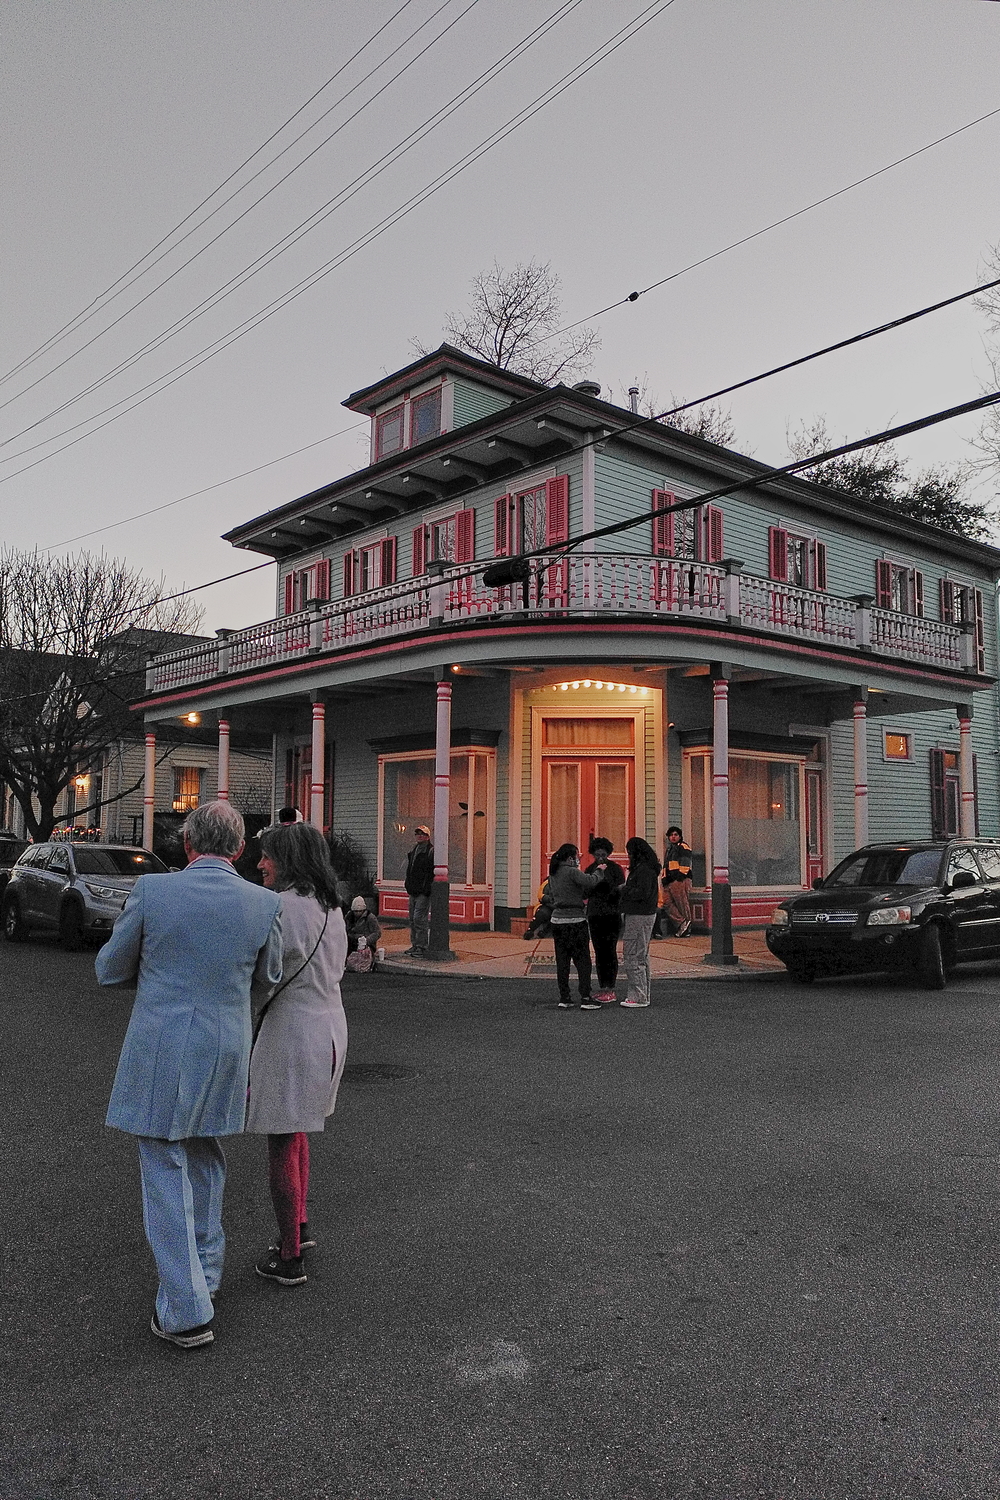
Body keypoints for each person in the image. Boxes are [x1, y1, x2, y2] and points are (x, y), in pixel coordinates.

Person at [96, 801, 283, 1349]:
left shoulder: (153, 891)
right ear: (240, 849)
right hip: (225, 1042)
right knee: (204, 1154)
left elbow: (110, 969)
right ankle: (206, 1272)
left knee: (161, 1162)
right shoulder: (263, 901)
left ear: (187, 844)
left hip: (162, 1041)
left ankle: (185, 1306)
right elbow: (268, 975)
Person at [248, 822, 348, 1287]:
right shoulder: (331, 908)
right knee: (301, 1128)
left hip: (290, 1031)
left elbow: (262, 974)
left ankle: (288, 1253)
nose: (260, 863)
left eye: (268, 856)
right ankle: (301, 1226)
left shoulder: (276, 908)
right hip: (330, 1027)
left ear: (287, 861)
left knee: (280, 1139)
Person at [546, 843, 605, 1009]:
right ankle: (586, 996)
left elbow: (550, 895)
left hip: (557, 921)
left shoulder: (553, 873)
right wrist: (599, 869)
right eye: (577, 856)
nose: (578, 859)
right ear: (571, 857)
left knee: (562, 961)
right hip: (575, 920)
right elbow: (591, 881)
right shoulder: (572, 871)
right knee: (582, 960)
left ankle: (564, 997)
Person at [620, 837, 662, 1008]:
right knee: (641, 955)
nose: (629, 855)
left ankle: (637, 996)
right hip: (645, 914)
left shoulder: (643, 870)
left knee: (633, 954)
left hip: (638, 914)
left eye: (630, 852)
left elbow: (641, 893)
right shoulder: (649, 868)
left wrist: (625, 890)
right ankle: (643, 993)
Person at [585, 836, 626, 1003]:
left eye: (603, 853)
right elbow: (586, 890)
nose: (600, 857)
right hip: (595, 914)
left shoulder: (615, 869)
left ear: (608, 853)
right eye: (597, 854)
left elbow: (620, 890)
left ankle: (611, 987)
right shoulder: (589, 869)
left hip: (611, 914)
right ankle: (603, 986)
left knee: (610, 951)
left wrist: (605, 881)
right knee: (599, 951)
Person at [404, 825, 434, 955]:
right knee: (412, 918)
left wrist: (426, 888)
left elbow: (430, 872)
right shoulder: (415, 850)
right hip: (413, 890)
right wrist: (408, 884)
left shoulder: (430, 851)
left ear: (427, 836)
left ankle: (422, 946)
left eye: (422, 834)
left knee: (419, 918)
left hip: (423, 891)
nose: (419, 836)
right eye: (417, 834)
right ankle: (415, 944)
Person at [662, 825, 694, 936]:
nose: (673, 837)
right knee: (666, 902)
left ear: (680, 836)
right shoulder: (669, 849)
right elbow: (666, 865)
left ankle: (687, 929)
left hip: (681, 879)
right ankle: (682, 922)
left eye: (676, 835)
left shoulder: (683, 847)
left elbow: (686, 861)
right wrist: (664, 878)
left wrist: (680, 876)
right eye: (671, 835)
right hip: (670, 880)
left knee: (682, 903)